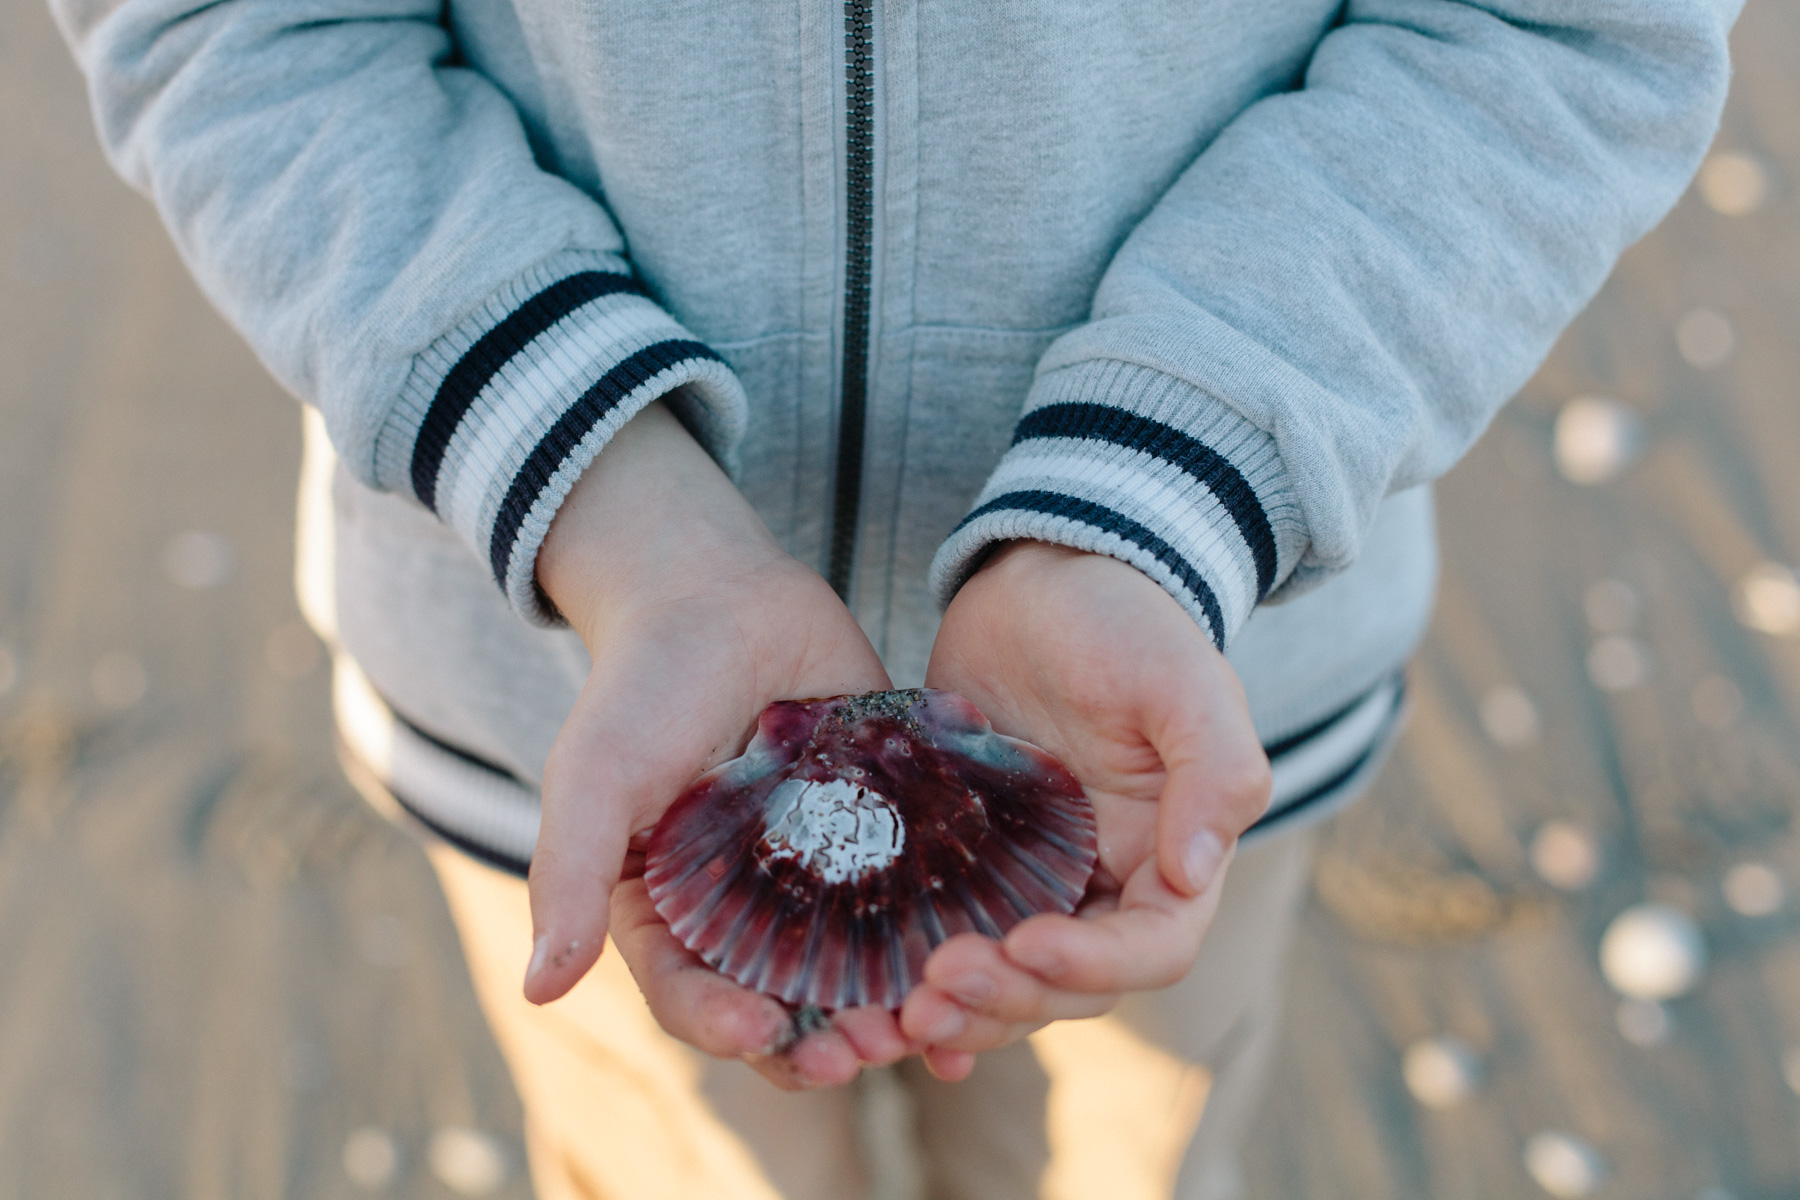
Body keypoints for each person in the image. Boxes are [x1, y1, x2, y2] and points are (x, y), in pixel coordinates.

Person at [53, 0, 1736, 1195]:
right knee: (678, 1169)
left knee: (1116, 1165)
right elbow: (226, 20)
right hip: (581, 696)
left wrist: (1152, 494)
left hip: (1163, 701)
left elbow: (1573, 25)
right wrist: (608, 497)